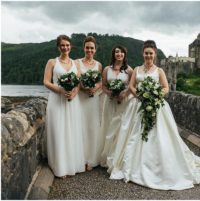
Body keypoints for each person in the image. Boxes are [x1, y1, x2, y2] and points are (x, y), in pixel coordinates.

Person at [108, 40, 200, 190]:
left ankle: (159, 166)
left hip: (155, 105)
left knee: (159, 137)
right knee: (135, 135)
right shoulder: (138, 70)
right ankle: (135, 165)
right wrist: (139, 95)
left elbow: (166, 88)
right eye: (146, 53)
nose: (148, 56)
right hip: (138, 106)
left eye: (151, 53)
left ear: (155, 54)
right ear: (143, 53)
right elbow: (132, 86)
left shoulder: (159, 71)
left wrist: (155, 95)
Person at [43, 34, 85, 178]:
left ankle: (71, 164)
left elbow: (78, 83)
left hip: (72, 102)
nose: (65, 47)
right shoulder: (52, 62)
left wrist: (74, 93)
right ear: (58, 46)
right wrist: (60, 90)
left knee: (71, 131)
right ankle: (60, 166)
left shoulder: (76, 64)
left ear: (70, 46)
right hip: (56, 100)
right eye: (62, 45)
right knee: (59, 131)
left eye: (67, 45)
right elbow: (46, 82)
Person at [99, 45, 133, 167]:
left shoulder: (129, 70)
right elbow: (103, 86)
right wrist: (110, 93)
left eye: (121, 52)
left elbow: (132, 86)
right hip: (110, 101)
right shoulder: (107, 69)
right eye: (117, 52)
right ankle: (107, 155)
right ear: (113, 54)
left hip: (124, 103)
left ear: (124, 54)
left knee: (120, 128)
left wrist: (124, 94)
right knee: (109, 126)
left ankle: (118, 157)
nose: (119, 54)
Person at [77, 36, 103, 171]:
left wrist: (95, 88)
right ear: (84, 48)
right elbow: (76, 81)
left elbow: (100, 82)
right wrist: (84, 88)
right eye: (87, 47)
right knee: (80, 127)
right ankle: (80, 158)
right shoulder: (77, 63)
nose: (89, 50)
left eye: (92, 48)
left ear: (95, 49)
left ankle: (91, 159)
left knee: (92, 127)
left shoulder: (98, 65)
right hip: (80, 99)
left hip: (93, 100)